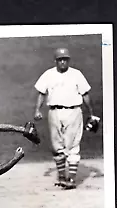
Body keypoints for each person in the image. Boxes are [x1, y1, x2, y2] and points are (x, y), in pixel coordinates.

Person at [34, 47, 97, 189]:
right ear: (55, 61)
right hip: (54, 112)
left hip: (73, 112)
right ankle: (62, 177)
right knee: (56, 146)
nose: (63, 62)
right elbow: (41, 93)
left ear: (68, 60)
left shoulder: (76, 74)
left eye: (65, 59)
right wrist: (37, 110)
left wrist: (91, 113)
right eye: (60, 60)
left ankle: (72, 180)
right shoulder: (48, 74)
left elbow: (85, 94)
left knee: (73, 145)